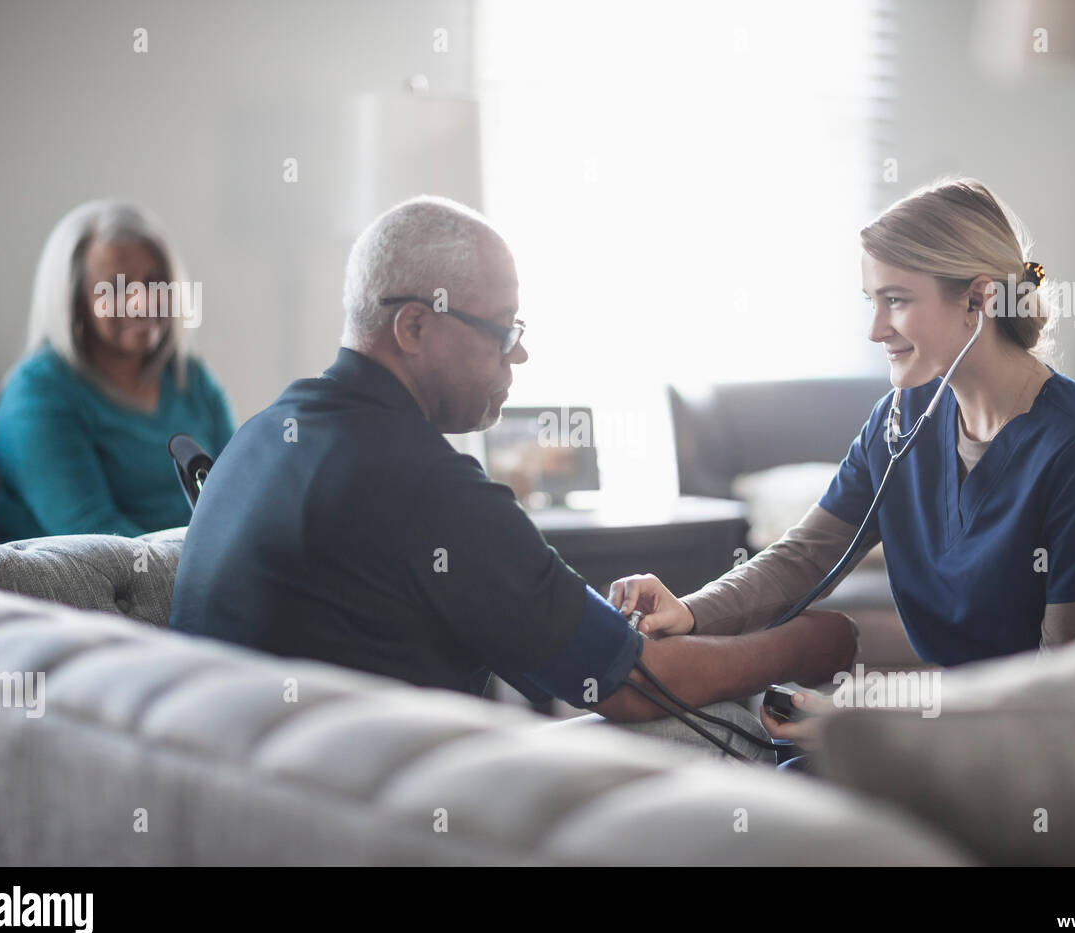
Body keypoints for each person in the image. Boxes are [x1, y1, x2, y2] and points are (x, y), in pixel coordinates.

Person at [168, 196, 857, 762]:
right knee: (740, 728)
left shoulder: (260, 436)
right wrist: (814, 643)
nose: (519, 351)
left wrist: (605, 629)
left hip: (247, 800)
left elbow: (553, 646)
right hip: (380, 821)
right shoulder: (426, 483)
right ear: (413, 326)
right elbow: (634, 688)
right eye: (500, 329)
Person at [609, 177, 1075, 753]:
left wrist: (869, 720)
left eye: (897, 301)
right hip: (973, 738)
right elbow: (804, 556)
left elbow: (1059, 692)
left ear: (979, 301)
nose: (875, 329)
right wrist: (689, 611)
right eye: (872, 302)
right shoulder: (902, 419)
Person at [0, 200, 235, 540]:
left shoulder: (190, 377)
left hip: (206, 575)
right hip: (95, 589)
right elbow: (99, 543)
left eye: (153, 282)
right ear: (74, 301)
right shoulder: (36, 395)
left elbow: (240, 495)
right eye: (116, 288)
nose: (143, 302)